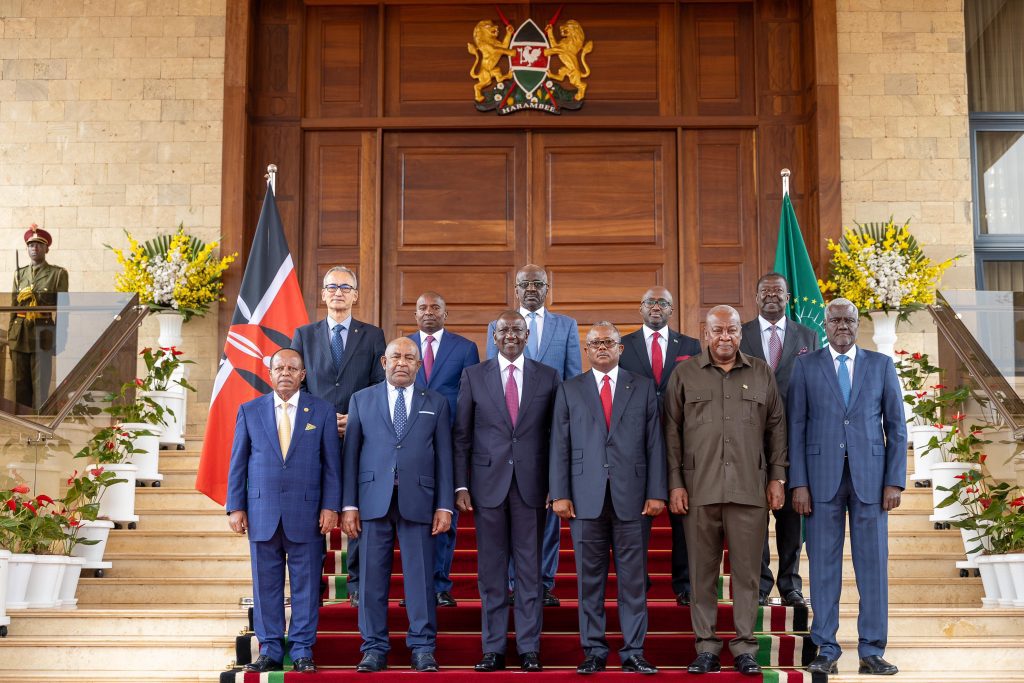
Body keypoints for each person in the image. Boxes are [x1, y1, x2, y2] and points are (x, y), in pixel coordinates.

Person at [663, 305, 786, 677]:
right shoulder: (684, 374)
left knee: (748, 574)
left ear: (740, 333)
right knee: (701, 574)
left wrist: (777, 478)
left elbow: (776, 429)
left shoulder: (762, 373)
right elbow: (671, 433)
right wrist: (675, 483)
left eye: (731, 330)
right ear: (705, 334)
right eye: (717, 331)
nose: (725, 337)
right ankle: (706, 648)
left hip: (750, 490)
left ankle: (746, 647)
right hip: (698, 491)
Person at [788, 298, 907, 676]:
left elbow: (897, 429)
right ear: (825, 324)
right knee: (823, 568)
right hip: (821, 482)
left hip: (872, 482)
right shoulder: (806, 366)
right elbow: (797, 428)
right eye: (836, 319)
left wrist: (895, 480)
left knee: (872, 567)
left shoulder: (881, 365)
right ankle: (826, 647)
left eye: (849, 320)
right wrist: (799, 483)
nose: (842, 325)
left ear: (858, 324)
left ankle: (872, 650)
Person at [550, 321, 667, 675]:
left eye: (609, 342)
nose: (602, 347)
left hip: (632, 498)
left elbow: (655, 443)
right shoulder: (570, 389)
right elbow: (559, 444)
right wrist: (560, 493)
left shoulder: (643, 387)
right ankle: (594, 650)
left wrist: (656, 491)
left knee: (633, 580)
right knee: (590, 581)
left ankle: (633, 650)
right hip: (584, 498)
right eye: (595, 343)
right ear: (586, 350)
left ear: (621, 348)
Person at [455, 310, 560, 672]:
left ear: (528, 335)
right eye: (504, 330)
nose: (511, 335)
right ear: (494, 336)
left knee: (531, 573)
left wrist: (556, 486)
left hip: (533, 489)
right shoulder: (473, 375)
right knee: (492, 572)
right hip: (487, 488)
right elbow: (462, 436)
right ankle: (494, 648)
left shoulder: (548, 377)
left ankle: (530, 648)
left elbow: (556, 437)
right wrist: (461, 483)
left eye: (518, 330)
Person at [341, 337, 454, 673]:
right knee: (372, 580)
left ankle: (422, 647)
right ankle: (374, 648)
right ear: (383, 362)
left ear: (419, 365)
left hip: (419, 501)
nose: (402, 362)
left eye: (409, 358)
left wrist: (445, 505)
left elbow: (445, 457)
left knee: (420, 580)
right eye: (396, 357)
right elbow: (351, 456)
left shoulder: (436, 402)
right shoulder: (361, 400)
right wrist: (349, 505)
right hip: (372, 502)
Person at [226, 348, 341, 674]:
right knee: (266, 587)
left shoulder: (321, 411)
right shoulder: (250, 411)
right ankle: (271, 649)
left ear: (303, 374)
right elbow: (238, 464)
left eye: (293, 368)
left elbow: (332, 465)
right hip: (262, 513)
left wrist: (331, 505)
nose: (286, 373)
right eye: (280, 368)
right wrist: (235, 506)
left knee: (305, 586)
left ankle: (303, 649)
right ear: (270, 372)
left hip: (306, 513)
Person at [485, 264, 581, 607]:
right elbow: (491, 381)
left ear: (547, 288)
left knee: (547, 515)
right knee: (508, 517)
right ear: (515, 289)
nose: (531, 288)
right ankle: (512, 583)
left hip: (548, 435)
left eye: (537, 283)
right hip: (508, 437)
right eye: (524, 284)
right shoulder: (497, 326)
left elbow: (573, 380)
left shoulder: (566, 326)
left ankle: (543, 582)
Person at [291, 265, 386, 608]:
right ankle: (309, 583)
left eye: (345, 288)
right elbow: (297, 384)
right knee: (314, 508)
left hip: (359, 434)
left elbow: (380, 384)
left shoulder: (373, 335)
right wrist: (327, 418)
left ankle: (357, 581)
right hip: (316, 435)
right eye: (331, 287)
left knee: (356, 506)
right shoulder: (304, 334)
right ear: (323, 293)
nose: (338, 292)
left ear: (355, 295)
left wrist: (354, 417)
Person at [738, 273, 820, 607]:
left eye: (778, 292)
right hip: (749, 443)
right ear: (756, 297)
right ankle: (758, 587)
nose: (772, 296)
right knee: (754, 519)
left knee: (790, 520)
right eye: (765, 291)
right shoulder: (739, 335)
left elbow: (815, 386)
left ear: (788, 298)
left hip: (794, 442)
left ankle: (790, 585)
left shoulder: (808, 336)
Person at [618, 286, 701, 606]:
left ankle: (684, 583)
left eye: (662, 303)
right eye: (650, 302)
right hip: (635, 446)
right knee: (637, 518)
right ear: (640, 308)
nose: (656, 307)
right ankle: (638, 581)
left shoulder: (690, 346)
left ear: (671, 309)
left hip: (681, 442)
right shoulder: (624, 345)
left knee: (684, 520)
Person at [407, 291, 480, 608]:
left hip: (448, 442)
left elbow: (469, 397)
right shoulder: (403, 346)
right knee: (412, 517)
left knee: (445, 514)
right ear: (415, 314)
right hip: (409, 443)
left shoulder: (465, 348)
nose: (428, 312)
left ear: (445, 313)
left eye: (435, 307)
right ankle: (416, 586)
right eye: (422, 307)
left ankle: (440, 584)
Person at [9, 224, 68, 410]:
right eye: (31, 245)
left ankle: (38, 429)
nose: (34, 248)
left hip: (43, 333)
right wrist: (11, 334)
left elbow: (63, 309)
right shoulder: (19, 274)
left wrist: (60, 339)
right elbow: (13, 306)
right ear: (27, 249)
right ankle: (20, 430)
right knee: (20, 386)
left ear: (46, 248)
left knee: (40, 386)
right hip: (20, 334)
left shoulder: (58, 274)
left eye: (39, 245)